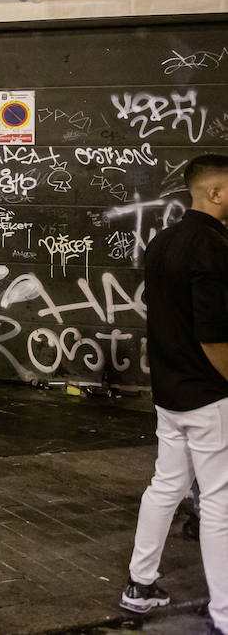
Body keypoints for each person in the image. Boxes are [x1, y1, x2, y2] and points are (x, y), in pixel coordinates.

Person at [120, 153, 228, 630]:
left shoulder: (163, 241)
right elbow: (213, 335)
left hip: (170, 393)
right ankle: (224, 615)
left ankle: (140, 585)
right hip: (209, 396)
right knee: (220, 503)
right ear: (215, 192)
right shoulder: (213, 246)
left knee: (165, 487)